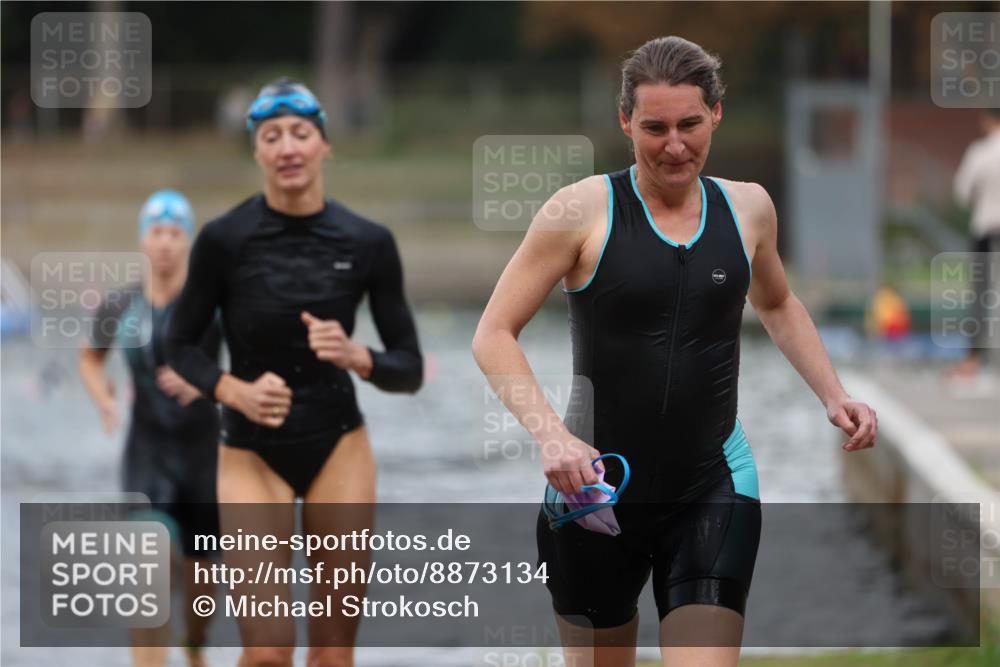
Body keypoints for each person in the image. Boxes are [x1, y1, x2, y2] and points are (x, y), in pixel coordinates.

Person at [472, 36, 878, 667]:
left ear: (717, 112)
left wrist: (834, 395)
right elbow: (493, 333)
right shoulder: (579, 211)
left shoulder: (749, 210)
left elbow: (776, 304)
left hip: (712, 483)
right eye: (655, 127)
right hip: (592, 491)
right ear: (625, 121)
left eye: (690, 124)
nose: (675, 145)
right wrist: (551, 436)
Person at [166, 77, 422, 667]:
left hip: (340, 449)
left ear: (324, 145)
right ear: (256, 150)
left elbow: (407, 368)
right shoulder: (222, 240)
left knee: (333, 655)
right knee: (269, 651)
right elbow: (178, 345)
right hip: (250, 455)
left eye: (301, 134)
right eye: (271, 135)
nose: (287, 148)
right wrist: (234, 390)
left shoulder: (368, 242)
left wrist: (359, 357)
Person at [79, 189, 221, 667]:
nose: (165, 243)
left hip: (204, 461)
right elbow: (90, 359)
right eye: (156, 233)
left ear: (188, 243)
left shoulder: (212, 306)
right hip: (147, 456)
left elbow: (248, 365)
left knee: (201, 590)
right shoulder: (122, 304)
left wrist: (206, 382)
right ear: (143, 240)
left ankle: (196, 649)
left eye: (175, 234)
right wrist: (103, 398)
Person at [947, 108, 1000, 380]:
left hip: (987, 228)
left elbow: (962, 193)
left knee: (981, 295)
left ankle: (972, 360)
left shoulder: (980, 152)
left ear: (987, 120)